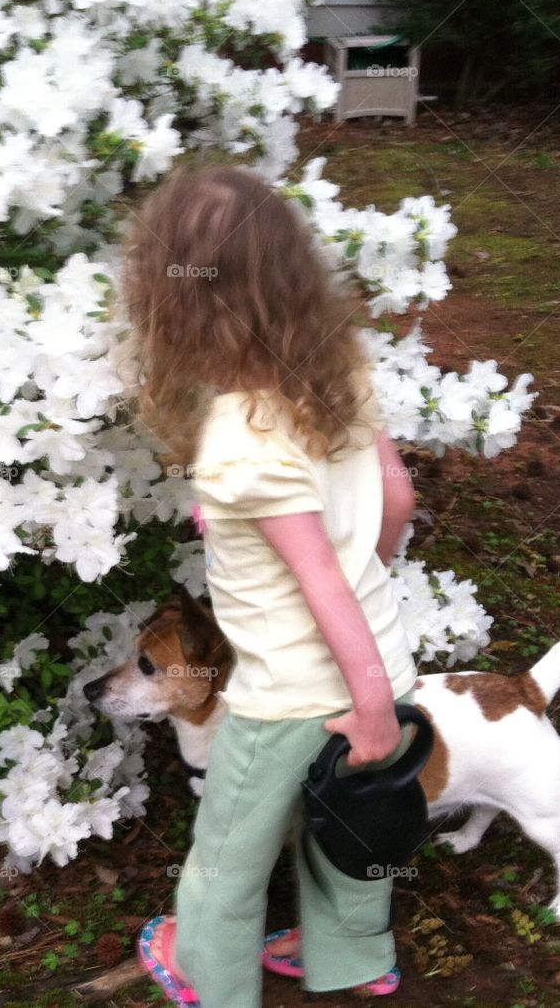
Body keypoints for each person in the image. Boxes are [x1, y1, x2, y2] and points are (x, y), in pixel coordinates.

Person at [120, 162, 420, 1008]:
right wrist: (371, 674)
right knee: (349, 828)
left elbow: (316, 580)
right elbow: (397, 496)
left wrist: (356, 697)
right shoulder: (341, 372)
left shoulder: (237, 438)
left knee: (227, 853)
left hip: (288, 695)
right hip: (377, 664)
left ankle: (209, 975)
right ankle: (358, 956)